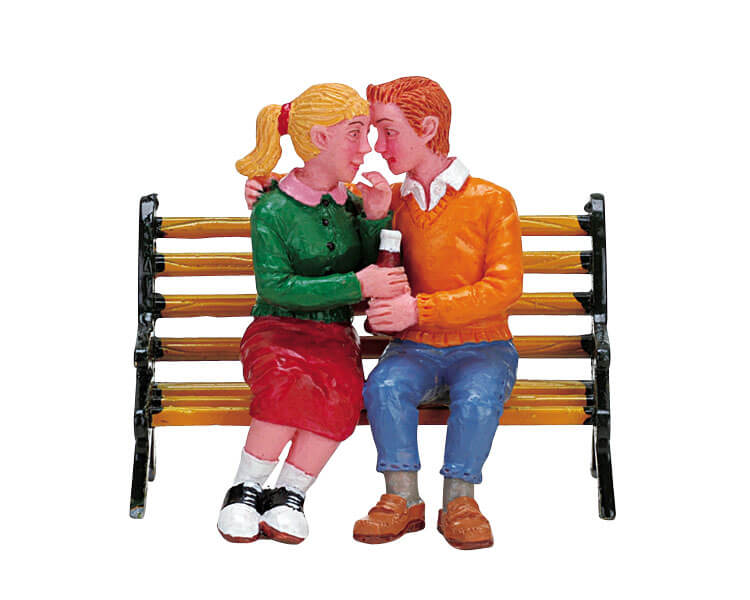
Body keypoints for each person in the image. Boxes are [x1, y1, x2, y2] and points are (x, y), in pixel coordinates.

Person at [218, 83, 408, 545]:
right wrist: (355, 285)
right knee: (287, 384)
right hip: (277, 330)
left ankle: (290, 493)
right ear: (320, 138)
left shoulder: (350, 205)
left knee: (342, 393)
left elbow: (373, 264)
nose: (366, 149)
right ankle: (245, 489)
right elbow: (275, 286)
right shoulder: (273, 209)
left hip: (334, 336)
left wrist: (376, 218)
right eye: (355, 134)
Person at [351, 77, 524, 550]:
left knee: (477, 396)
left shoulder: (491, 200)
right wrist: (268, 188)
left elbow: (504, 287)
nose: (378, 146)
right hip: (415, 349)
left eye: (388, 132)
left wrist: (417, 308)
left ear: (427, 129)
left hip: (483, 345)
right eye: (375, 132)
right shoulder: (392, 200)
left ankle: (460, 500)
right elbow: (320, 197)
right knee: (384, 386)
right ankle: (401, 497)